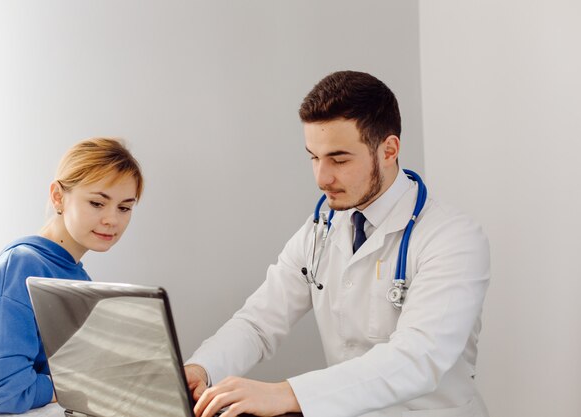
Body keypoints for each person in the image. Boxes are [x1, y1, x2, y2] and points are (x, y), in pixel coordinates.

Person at [185, 71, 490, 417]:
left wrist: (288, 395)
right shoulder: (321, 230)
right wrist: (203, 369)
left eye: (339, 159)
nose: (321, 178)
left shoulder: (452, 238)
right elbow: (259, 322)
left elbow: (419, 357)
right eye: (314, 157)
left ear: (388, 150)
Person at [0, 138, 144, 414]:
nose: (112, 220)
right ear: (58, 196)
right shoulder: (22, 266)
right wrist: (69, 386)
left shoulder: (76, 278)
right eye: (97, 203)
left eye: (124, 207)